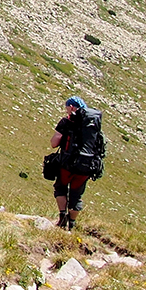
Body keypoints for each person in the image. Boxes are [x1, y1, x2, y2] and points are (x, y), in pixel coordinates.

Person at [50, 95, 104, 230]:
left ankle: (62, 218)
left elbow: (54, 143)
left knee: (61, 188)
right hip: (86, 167)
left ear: (72, 107)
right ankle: (72, 224)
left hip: (67, 165)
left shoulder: (67, 122)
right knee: (77, 195)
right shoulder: (94, 126)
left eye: (67, 107)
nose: (66, 110)